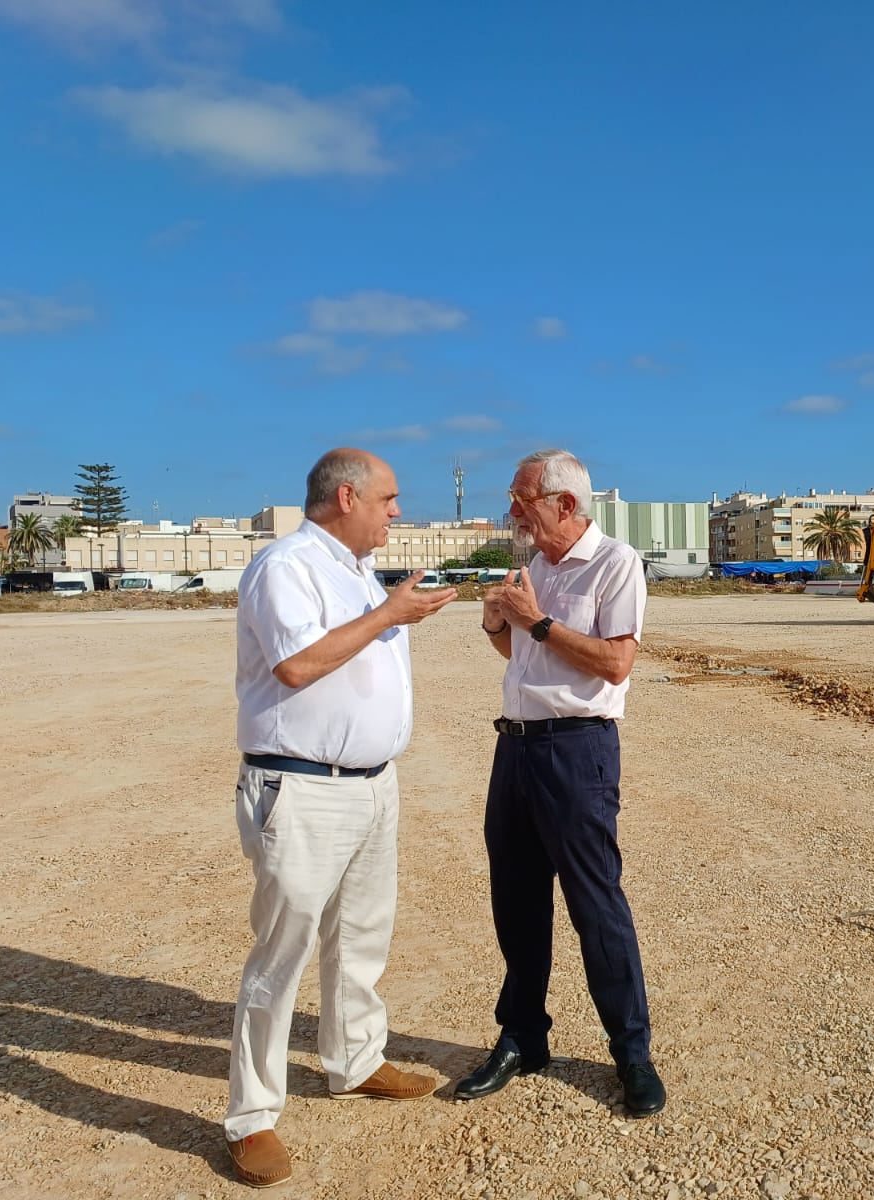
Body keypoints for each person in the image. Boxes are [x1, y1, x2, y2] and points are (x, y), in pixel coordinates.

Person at [225, 448, 456, 1188]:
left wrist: (390, 606)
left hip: (372, 784)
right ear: (347, 497)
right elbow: (296, 666)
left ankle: (355, 1061)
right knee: (282, 952)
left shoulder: (358, 571)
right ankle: (252, 1117)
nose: (398, 511)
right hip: (301, 786)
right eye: (389, 499)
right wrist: (389, 614)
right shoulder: (285, 566)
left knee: (361, 935)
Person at [454, 448, 666, 1118]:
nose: (512, 511)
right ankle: (523, 1038)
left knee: (595, 904)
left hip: (577, 751)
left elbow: (615, 663)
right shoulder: (535, 567)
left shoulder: (615, 564)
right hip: (514, 747)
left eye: (521, 498)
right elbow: (523, 655)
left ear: (564, 503)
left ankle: (632, 1053)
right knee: (516, 901)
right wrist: (500, 624)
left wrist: (538, 622)